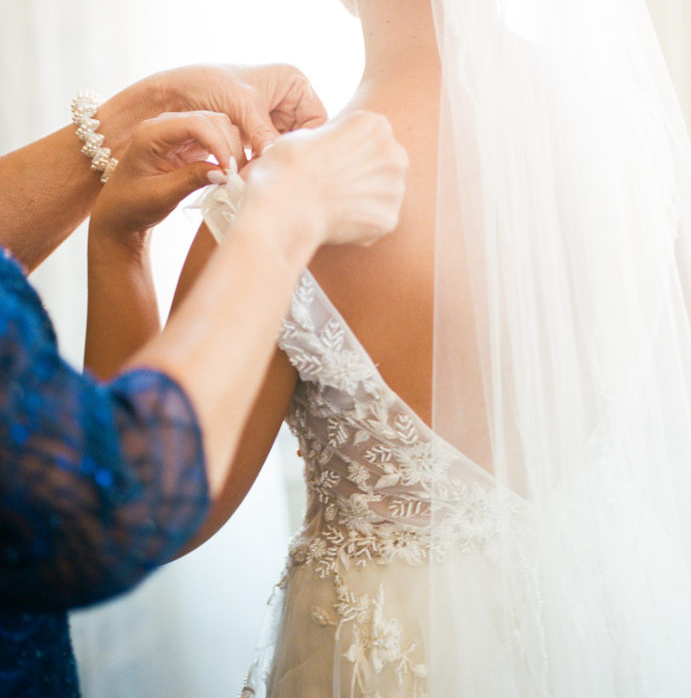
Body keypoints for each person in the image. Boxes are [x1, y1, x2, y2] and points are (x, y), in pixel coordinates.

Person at [176, 0, 691, 698]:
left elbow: (169, 506)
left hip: (395, 655)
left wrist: (116, 230)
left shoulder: (281, 200)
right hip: (623, 622)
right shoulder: (626, 134)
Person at [0, 62, 407, 698]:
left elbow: (159, 512)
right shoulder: (599, 163)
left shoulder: (269, 187)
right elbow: (116, 494)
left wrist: (151, 112)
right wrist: (278, 222)